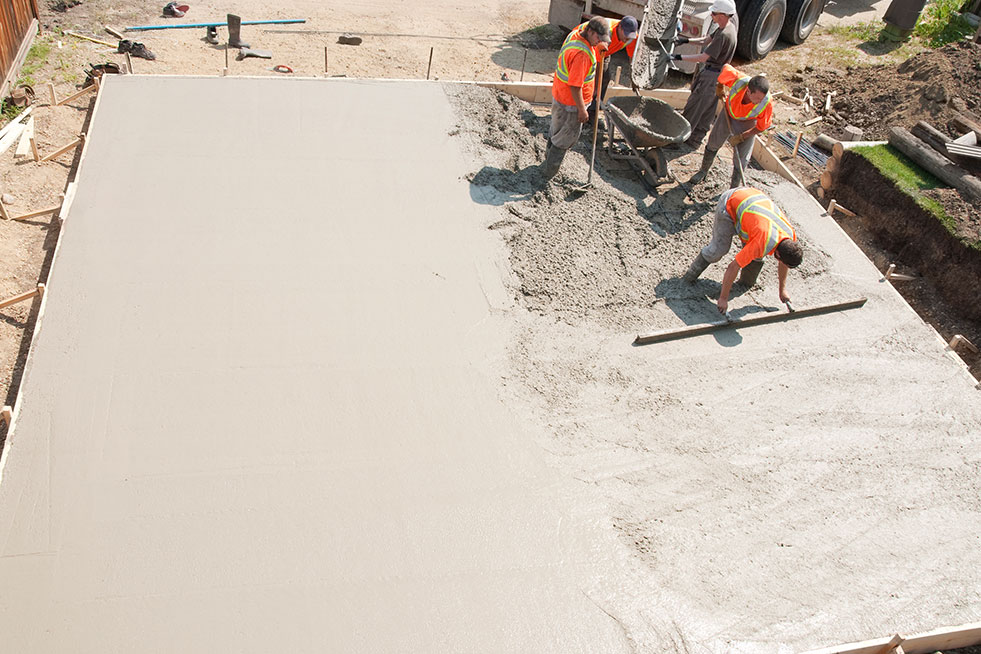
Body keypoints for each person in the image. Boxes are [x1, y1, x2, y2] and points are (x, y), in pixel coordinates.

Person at [682, 186, 804, 314]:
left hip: (751, 204)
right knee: (718, 250)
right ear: (778, 254)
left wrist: (782, 290)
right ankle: (688, 278)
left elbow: (783, 263)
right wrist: (723, 299)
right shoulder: (762, 242)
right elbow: (733, 267)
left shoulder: (789, 237)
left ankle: (745, 283)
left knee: (756, 254)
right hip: (730, 204)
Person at [542, 16, 611, 180]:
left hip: (560, 93)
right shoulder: (582, 54)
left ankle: (546, 163)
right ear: (591, 32)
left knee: (556, 130)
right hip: (571, 103)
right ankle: (548, 173)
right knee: (565, 137)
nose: (599, 42)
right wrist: (582, 110)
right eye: (598, 38)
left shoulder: (577, 33)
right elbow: (575, 86)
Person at [667, 0, 738, 148]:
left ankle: (677, 140)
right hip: (718, 77)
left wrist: (677, 57)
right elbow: (706, 40)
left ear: (723, 15)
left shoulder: (724, 35)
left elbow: (702, 57)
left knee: (694, 107)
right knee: (707, 110)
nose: (712, 15)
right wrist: (685, 40)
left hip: (711, 77)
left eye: (714, 13)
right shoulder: (727, 27)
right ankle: (695, 141)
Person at [688, 64, 772, 188]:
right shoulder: (739, 81)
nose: (760, 100)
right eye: (758, 98)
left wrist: (743, 136)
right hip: (728, 113)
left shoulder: (766, 103)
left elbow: (761, 127)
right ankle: (703, 171)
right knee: (713, 143)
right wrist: (720, 87)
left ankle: (734, 188)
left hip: (747, 122)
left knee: (742, 158)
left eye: (762, 98)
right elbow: (724, 68)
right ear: (748, 91)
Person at [585, 15, 640, 127]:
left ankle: (592, 111)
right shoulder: (606, 33)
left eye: (631, 36)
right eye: (626, 35)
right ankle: (582, 110)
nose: (627, 39)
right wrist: (595, 85)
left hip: (604, 53)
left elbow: (631, 59)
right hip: (588, 49)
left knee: (605, 79)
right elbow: (597, 60)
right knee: (590, 81)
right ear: (619, 28)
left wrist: (633, 78)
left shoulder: (632, 38)